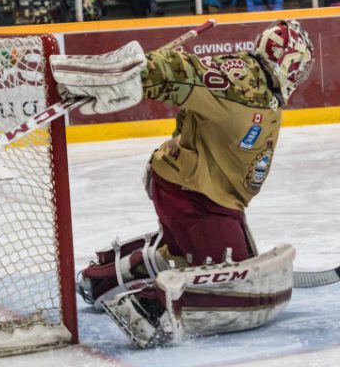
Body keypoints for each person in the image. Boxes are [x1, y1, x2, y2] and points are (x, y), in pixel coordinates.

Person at [52, 20, 314, 348]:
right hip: (196, 197)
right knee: (236, 284)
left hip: (202, 194)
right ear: (288, 61)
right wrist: (132, 74)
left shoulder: (259, 85)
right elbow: (182, 70)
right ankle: (148, 308)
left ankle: (101, 280)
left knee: (187, 255)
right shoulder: (243, 81)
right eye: (300, 67)